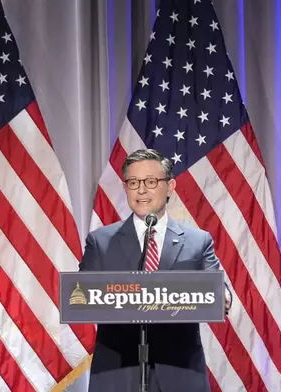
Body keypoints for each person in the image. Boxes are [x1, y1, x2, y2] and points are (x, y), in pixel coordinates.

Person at [80, 149, 230, 392]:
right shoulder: (101, 241)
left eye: (151, 182)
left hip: (180, 373)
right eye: (133, 182)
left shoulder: (197, 241)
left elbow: (218, 288)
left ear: (170, 186)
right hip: (117, 374)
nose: (141, 190)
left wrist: (223, 296)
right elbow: (81, 297)